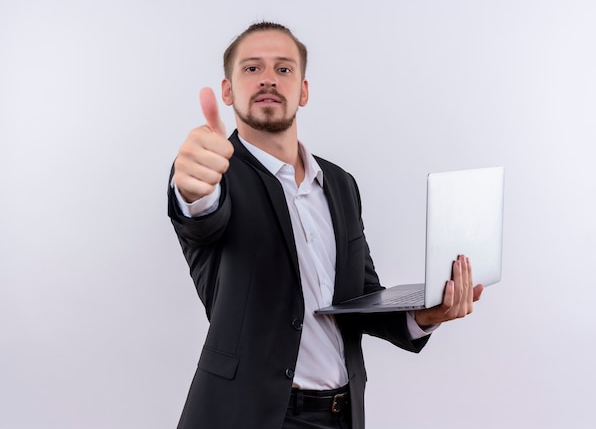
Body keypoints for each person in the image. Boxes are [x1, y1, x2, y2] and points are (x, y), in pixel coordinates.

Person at [168, 21, 483, 429]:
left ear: (303, 90)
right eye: (251, 69)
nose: (268, 79)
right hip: (250, 416)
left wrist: (427, 314)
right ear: (227, 90)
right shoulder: (215, 175)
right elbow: (201, 217)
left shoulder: (339, 184)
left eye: (283, 69)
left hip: (341, 414)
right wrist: (191, 186)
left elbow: (360, 299)